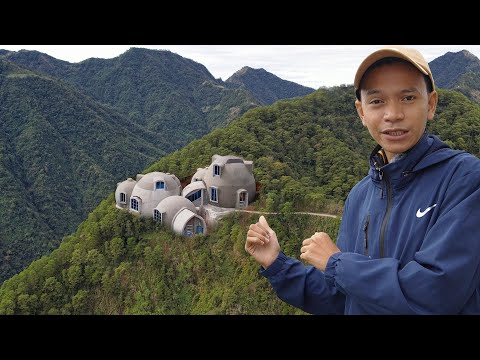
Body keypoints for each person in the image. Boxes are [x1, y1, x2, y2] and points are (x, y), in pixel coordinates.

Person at [245, 46, 480, 314]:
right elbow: (343, 297)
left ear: (431, 104)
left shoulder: (464, 179)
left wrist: (337, 263)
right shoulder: (360, 195)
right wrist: (276, 263)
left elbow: (436, 294)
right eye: (377, 101)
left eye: (408, 97)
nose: (393, 114)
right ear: (361, 112)